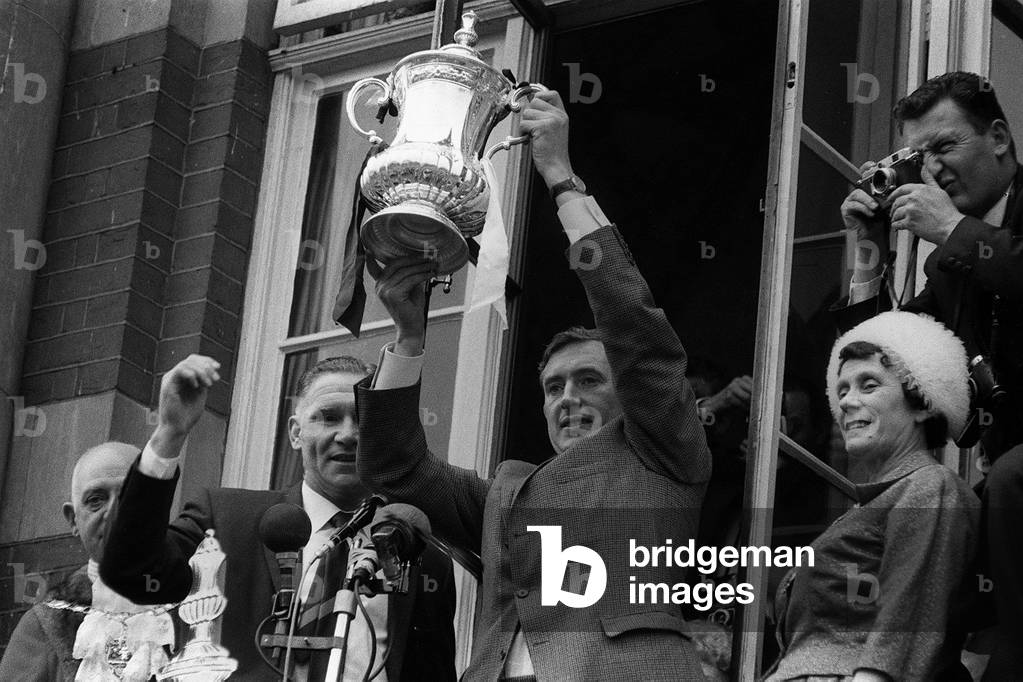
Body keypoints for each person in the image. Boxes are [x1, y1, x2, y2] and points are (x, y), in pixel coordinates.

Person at [355, 89, 712, 680]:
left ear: (630, 395)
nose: (567, 398)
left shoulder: (664, 453)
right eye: (552, 388)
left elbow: (638, 334)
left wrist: (561, 177)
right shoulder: (505, 491)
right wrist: (410, 337)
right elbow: (396, 470)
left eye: (590, 380)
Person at [99, 355, 456, 681]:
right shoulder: (226, 519)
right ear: (296, 433)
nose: (347, 435)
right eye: (328, 417)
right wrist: (169, 433)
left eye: (363, 420)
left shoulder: (422, 561)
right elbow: (134, 573)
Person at [837, 71, 1022, 677]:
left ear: (997, 137)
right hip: (1006, 490)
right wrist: (869, 255)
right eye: (921, 155)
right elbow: (888, 359)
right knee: (905, 539)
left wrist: (951, 231)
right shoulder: (949, 265)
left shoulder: (957, 239)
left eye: (946, 147)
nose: (933, 168)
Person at [765, 312, 981, 682]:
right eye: (843, 389)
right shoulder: (875, 502)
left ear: (922, 403)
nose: (847, 401)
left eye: (868, 385)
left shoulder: (928, 486)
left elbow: (908, 623)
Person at [0, 442, 174, 681]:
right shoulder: (45, 625)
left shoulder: (197, 606)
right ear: (73, 520)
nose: (115, 513)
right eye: (96, 500)